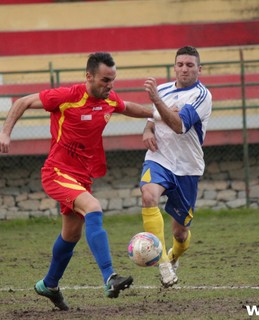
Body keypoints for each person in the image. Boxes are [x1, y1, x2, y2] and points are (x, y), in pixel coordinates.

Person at [0, 52, 154, 310]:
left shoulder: (109, 99)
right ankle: (109, 277)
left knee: (71, 235)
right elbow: (24, 101)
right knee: (93, 208)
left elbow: (129, 107)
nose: (110, 86)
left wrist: (160, 112)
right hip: (57, 172)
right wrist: (5, 133)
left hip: (82, 178)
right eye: (105, 80)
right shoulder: (67, 96)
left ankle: (49, 284)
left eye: (113, 80)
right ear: (89, 76)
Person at [140, 46, 212, 287]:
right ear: (174, 67)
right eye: (180, 64)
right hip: (159, 159)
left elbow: (179, 126)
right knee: (148, 195)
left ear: (199, 69)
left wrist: (156, 101)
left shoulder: (202, 96)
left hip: (187, 168)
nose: (184, 69)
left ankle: (173, 256)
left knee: (180, 234)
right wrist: (147, 130)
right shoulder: (162, 90)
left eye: (190, 65)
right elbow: (151, 122)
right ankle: (162, 264)